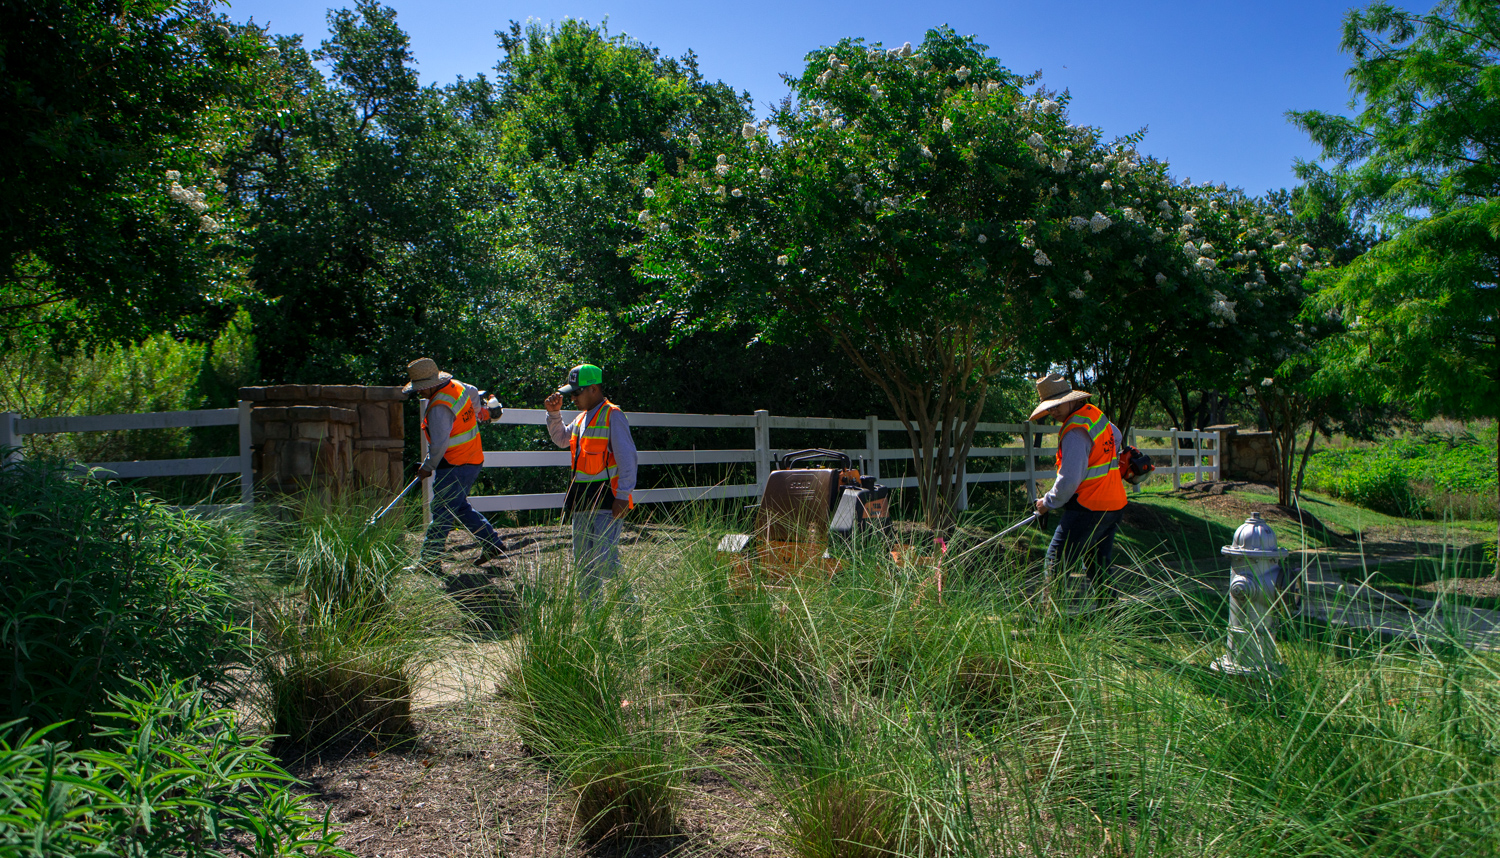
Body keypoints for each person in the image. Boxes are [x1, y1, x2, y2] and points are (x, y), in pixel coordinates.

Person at [1029, 373, 1128, 606]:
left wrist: (1047, 503)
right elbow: (1117, 436)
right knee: (1098, 563)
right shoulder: (1094, 416)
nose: (1053, 411)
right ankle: (1111, 616)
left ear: (1072, 400)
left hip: (1088, 507)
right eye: (1049, 407)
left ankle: (1048, 624)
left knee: (1055, 561)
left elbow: (1069, 480)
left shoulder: (1074, 432)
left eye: (1057, 405)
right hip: (1113, 504)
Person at [403, 357, 507, 573]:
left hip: (454, 464)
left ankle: (429, 561)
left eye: (420, 389)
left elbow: (439, 445)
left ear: (430, 384)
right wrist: (478, 411)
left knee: (441, 510)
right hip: (472, 459)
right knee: (458, 506)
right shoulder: (456, 386)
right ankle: (491, 543)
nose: (419, 393)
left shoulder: (439, 407)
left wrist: (427, 467)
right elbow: (473, 390)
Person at [543, 364, 638, 600]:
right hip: (581, 498)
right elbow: (562, 439)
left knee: (606, 560)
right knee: (584, 563)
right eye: (571, 393)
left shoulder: (613, 415)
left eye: (576, 393)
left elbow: (628, 458)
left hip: (607, 498)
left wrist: (623, 495)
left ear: (593, 389)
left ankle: (631, 611)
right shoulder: (582, 417)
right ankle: (592, 618)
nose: (572, 398)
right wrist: (554, 414)